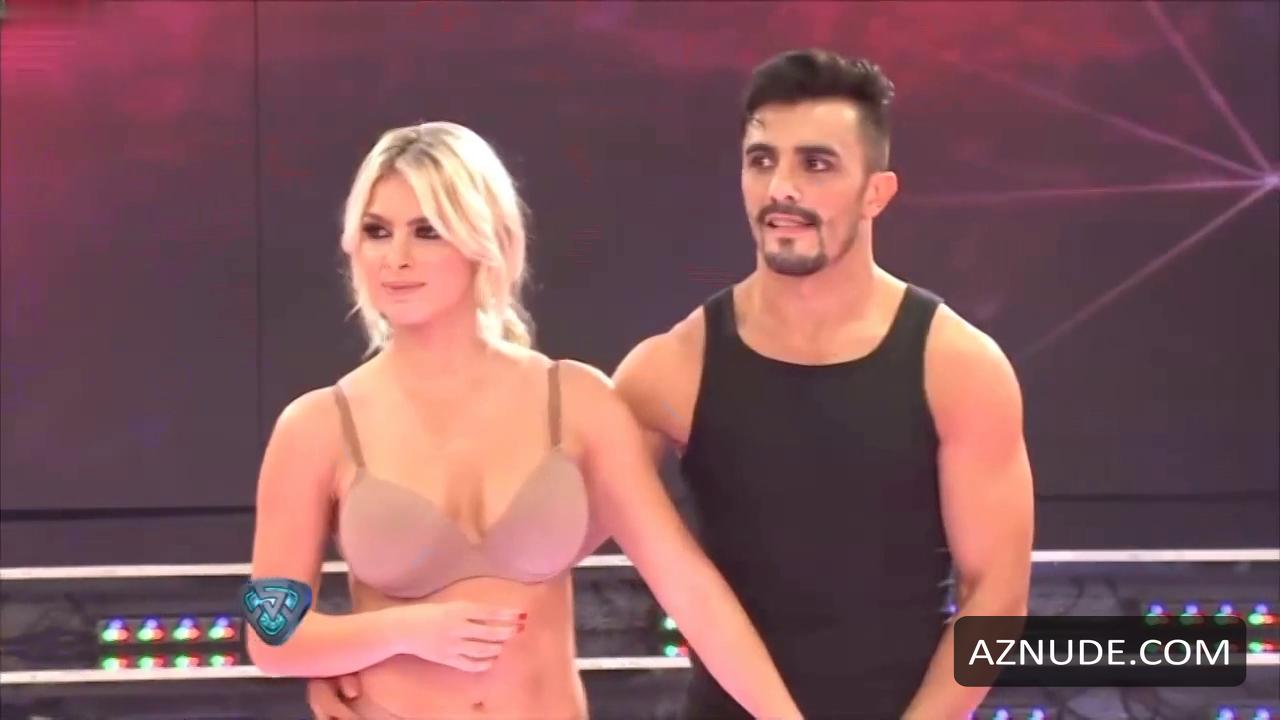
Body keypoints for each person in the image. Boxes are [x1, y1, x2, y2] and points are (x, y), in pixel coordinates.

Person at [308, 48, 1035, 719]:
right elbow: (512, 552)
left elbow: (997, 601)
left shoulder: (957, 367)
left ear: (877, 192)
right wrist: (355, 656)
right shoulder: (668, 372)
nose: (781, 188)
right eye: (761, 160)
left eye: (817, 164)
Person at [248, 121, 803, 720]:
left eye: (428, 231)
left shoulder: (576, 400)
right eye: (377, 231)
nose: (397, 258)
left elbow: (687, 587)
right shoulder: (315, 428)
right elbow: (271, 638)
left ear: (483, 237)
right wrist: (403, 631)